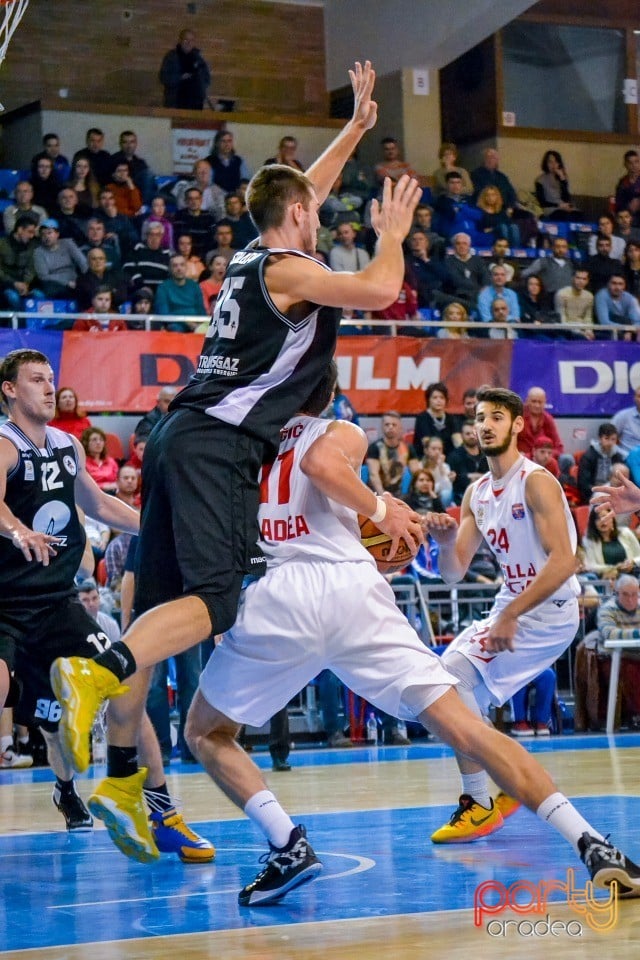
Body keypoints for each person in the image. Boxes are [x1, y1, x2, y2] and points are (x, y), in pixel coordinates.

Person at [51, 62, 425, 864]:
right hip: (217, 448)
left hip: (175, 437)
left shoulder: (256, 257)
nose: (323, 215)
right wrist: (390, 235)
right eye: (314, 211)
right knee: (214, 605)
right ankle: (95, 673)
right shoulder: (294, 270)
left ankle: (121, 774)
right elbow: (380, 288)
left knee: (157, 608)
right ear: (299, 215)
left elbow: (299, 193)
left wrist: (355, 131)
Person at [181, 364, 640, 906]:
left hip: (285, 594)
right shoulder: (338, 431)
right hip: (356, 592)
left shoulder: (248, 447)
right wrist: (383, 512)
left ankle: (288, 843)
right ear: (329, 394)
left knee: (205, 732)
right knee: (470, 731)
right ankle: (589, 841)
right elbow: (326, 466)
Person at [0, 349, 212, 859]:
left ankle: (162, 811)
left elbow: (99, 506)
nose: (49, 388)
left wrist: (162, 526)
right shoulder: (4, 446)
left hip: (57, 600)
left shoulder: (66, 445)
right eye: (36, 380)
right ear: (9, 390)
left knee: (123, 684)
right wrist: (17, 528)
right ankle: (69, 788)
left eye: (51, 379)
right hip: (5, 603)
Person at [425, 385, 582, 844]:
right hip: (511, 605)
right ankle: (506, 782)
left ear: (516, 425)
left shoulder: (536, 481)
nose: (486, 424)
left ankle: (484, 798)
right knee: (445, 684)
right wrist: (443, 540)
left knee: (453, 683)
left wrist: (510, 614)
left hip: (550, 611)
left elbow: (565, 561)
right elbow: (453, 574)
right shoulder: (476, 493)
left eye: (497, 416)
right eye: (480, 417)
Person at [366, 411, 420, 497]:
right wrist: (384, 497)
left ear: (400, 428)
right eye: (387, 424)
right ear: (382, 427)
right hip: (376, 494)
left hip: (398, 494)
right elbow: (374, 475)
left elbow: (417, 473)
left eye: (394, 425)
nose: (390, 427)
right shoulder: (375, 447)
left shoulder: (408, 448)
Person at [581, 507, 640, 581]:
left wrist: (632, 562)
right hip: (607, 578)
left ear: (612, 519)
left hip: (632, 575)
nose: (603, 521)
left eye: (606, 517)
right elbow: (590, 565)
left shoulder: (626, 533)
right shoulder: (588, 540)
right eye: (598, 519)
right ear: (593, 523)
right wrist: (615, 569)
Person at [159, 29, 211, 110]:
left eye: (192, 40)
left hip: (195, 105)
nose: (189, 43)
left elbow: (207, 79)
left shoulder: (199, 58)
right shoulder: (171, 57)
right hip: (175, 103)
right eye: (186, 39)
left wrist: (199, 88)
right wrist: (180, 77)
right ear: (180, 40)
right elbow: (163, 78)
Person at [577, 423, 625, 505]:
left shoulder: (618, 456)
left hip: (614, 493)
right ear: (600, 438)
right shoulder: (588, 456)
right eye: (607, 439)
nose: (610, 443)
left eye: (613, 439)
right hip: (593, 494)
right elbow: (583, 484)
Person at [413, 381, 461, 456]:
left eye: (442, 397)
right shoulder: (422, 418)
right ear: (428, 400)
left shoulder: (451, 418)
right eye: (435, 398)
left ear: (446, 400)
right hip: (427, 458)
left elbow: (458, 442)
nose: (438, 400)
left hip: (448, 459)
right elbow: (427, 442)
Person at [510, 667, 557, 736]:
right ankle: (519, 721)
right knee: (516, 676)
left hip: (530, 665)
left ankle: (541, 721)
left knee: (548, 674)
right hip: (509, 668)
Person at [534, 150, 579, 221]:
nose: (553, 164)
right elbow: (542, 203)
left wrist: (563, 179)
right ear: (546, 163)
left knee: (578, 215)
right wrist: (559, 205)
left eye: (556, 162)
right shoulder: (540, 180)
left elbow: (566, 199)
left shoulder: (562, 178)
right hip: (550, 209)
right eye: (550, 162)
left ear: (559, 164)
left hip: (564, 208)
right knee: (564, 216)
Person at [81, 426, 119, 492]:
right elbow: (83, 484)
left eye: (101, 440)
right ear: (86, 443)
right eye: (94, 440)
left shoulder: (111, 461)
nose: (98, 442)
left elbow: (119, 480)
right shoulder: (82, 462)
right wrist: (103, 486)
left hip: (113, 493)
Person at [613, 386, 640, 456]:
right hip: (627, 461)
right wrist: (627, 456)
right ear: (634, 398)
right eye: (639, 396)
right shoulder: (623, 416)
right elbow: (608, 441)